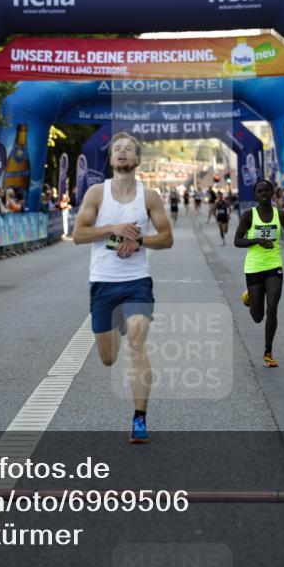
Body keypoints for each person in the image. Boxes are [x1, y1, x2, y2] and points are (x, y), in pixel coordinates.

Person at [72, 132, 173, 444]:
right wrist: (113, 229)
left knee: (138, 345)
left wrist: (139, 239)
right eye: (118, 149)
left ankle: (139, 419)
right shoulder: (97, 194)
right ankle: (114, 326)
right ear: (111, 159)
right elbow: (78, 235)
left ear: (138, 160)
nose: (123, 152)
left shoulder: (150, 196)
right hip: (103, 282)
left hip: (137, 282)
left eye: (129, 149)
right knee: (108, 358)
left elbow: (167, 239)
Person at [234, 179, 284, 368]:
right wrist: (257, 240)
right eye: (259, 191)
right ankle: (250, 298)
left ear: (272, 193)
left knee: (272, 307)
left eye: (266, 190)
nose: (263, 193)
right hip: (254, 267)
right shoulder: (248, 216)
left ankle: (268, 352)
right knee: (258, 316)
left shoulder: (282, 215)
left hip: (273, 265)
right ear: (255, 195)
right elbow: (237, 241)